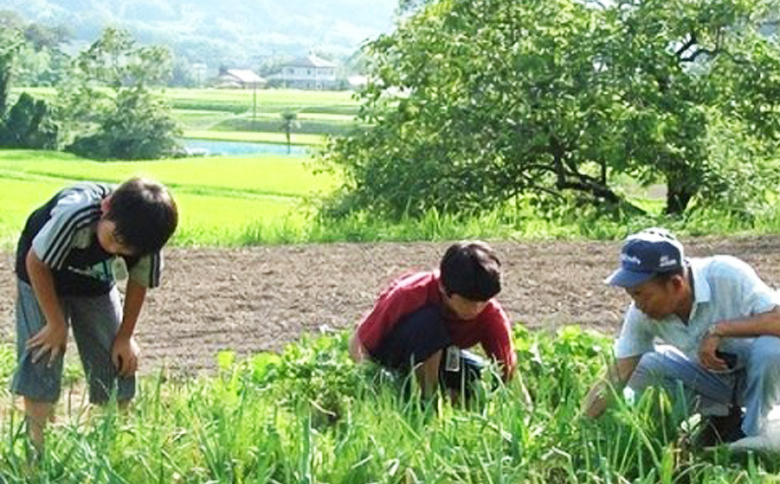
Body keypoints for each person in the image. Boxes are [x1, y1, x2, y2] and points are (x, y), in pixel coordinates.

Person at [11, 178, 178, 453]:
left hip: (95, 282)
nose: (116, 251)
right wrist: (55, 323)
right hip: (40, 273)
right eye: (115, 239)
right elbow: (35, 262)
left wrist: (125, 336)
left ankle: (112, 444)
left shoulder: (147, 240)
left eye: (128, 251)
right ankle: (36, 448)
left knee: (117, 357)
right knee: (43, 351)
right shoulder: (75, 215)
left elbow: (139, 283)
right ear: (106, 206)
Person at [582, 228, 780, 446]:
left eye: (640, 294)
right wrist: (579, 426)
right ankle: (710, 422)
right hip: (719, 382)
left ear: (676, 284)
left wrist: (720, 330)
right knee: (643, 366)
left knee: (772, 349)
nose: (637, 305)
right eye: (631, 295)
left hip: (766, 380)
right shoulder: (642, 312)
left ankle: (751, 431)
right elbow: (617, 375)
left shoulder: (726, 275)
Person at [348, 241, 516, 398]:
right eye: (468, 302)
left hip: (443, 356)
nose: (477, 309)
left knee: (481, 377)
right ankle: (428, 399)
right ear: (443, 288)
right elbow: (357, 343)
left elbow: (507, 371)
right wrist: (375, 383)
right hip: (391, 358)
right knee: (430, 323)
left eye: (483, 301)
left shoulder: (490, 313)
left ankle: (442, 395)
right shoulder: (409, 294)